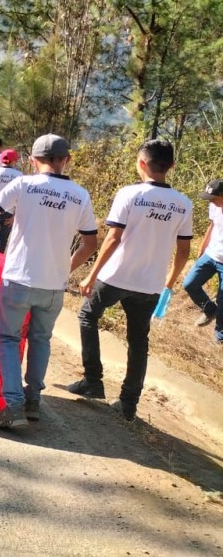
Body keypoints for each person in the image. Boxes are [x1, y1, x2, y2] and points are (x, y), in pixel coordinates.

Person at [0, 134, 98, 429]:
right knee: (41, 339)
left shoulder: (24, 185)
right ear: (67, 159)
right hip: (53, 285)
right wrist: (65, 268)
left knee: (9, 339)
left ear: (31, 160)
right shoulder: (80, 195)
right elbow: (90, 243)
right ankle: (33, 401)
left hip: (18, 280)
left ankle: (13, 406)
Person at [69, 140, 192, 421]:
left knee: (88, 316)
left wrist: (92, 274)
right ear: (171, 166)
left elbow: (113, 238)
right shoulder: (183, 204)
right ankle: (128, 404)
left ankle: (92, 380)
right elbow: (183, 252)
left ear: (141, 164)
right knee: (138, 341)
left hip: (116, 275)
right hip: (150, 284)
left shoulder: (129, 194)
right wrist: (168, 285)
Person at [184, 179, 223, 340]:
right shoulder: (213, 206)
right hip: (210, 254)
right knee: (190, 284)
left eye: (213, 198)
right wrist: (201, 249)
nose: (211, 201)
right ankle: (209, 309)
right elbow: (212, 226)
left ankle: (219, 337)